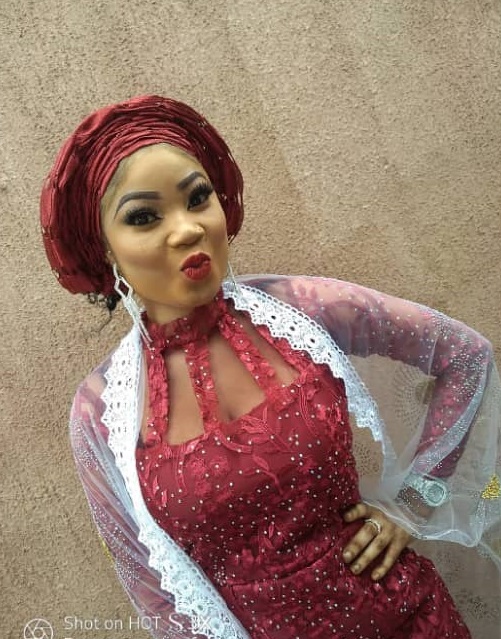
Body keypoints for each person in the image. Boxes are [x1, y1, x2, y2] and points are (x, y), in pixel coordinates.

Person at [40, 95, 501, 639]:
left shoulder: (297, 312)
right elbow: (155, 594)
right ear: (104, 250)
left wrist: (413, 504)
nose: (187, 229)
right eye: (143, 216)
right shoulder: (103, 412)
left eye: (198, 197)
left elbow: (464, 356)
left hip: (413, 620)